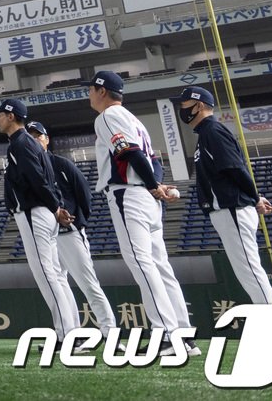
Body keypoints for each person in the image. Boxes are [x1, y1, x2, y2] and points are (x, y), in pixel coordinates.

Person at [87, 70, 195, 350]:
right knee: (160, 266)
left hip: (129, 194)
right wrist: (155, 185)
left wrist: (152, 185)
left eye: (91, 89)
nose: (89, 94)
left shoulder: (107, 117)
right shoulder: (134, 119)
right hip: (146, 198)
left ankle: (167, 336)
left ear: (101, 91)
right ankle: (184, 334)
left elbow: (129, 152)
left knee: (143, 264)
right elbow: (153, 157)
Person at [178, 86, 272, 304]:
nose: (181, 108)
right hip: (228, 209)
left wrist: (255, 198)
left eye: (184, 104)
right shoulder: (206, 133)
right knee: (248, 272)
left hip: (232, 208)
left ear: (200, 105)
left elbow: (233, 168)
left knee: (250, 272)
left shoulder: (212, 131)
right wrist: (255, 198)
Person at [0, 98, 79, 340]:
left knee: (47, 274)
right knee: (55, 275)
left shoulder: (20, 144)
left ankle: (66, 334)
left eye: (0, 114)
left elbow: (37, 179)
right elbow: (44, 178)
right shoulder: (29, 143)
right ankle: (73, 331)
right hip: (43, 211)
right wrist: (56, 208)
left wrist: (55, 207)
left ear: (11, 116)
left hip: (35, 212)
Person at [26, 121, 116, 331]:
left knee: (88, 284)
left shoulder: (61, 164)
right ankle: (72, 332)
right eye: (30, 137)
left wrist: (78, 221)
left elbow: (83, 193)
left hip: (68, 232)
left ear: (47, 139)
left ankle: (110, 331)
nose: (35, 140)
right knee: (59, 282)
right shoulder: (30, 170)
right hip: (48, 235)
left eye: (38, 136)